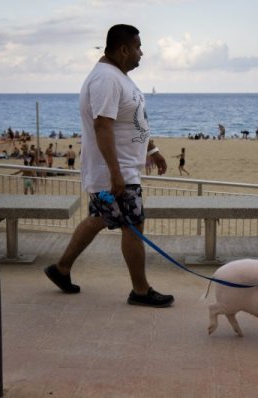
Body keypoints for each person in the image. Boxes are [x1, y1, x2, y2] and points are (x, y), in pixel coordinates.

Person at [44, 24, 173, 307]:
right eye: (138, 46)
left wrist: (153, 150)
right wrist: (116, 174)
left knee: (100, 218)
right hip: (117, 171)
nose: (142, 52)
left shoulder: (119, 77)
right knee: (134, 225)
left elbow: (133, 120)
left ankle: (61, 268)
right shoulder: (105, 79)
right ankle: (140, 291)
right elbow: (102, 126)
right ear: (123, 49)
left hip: (123, 168)